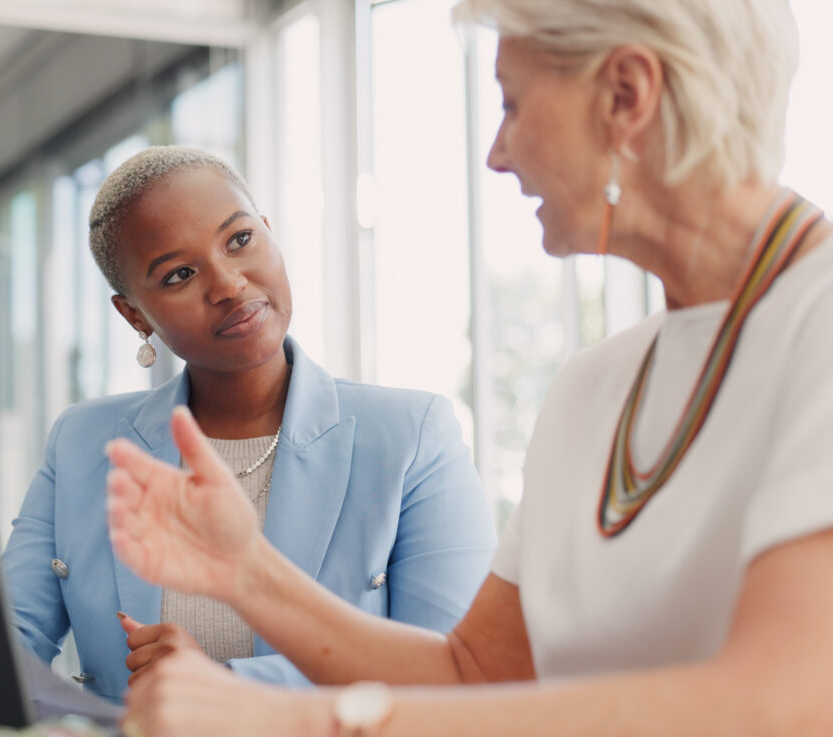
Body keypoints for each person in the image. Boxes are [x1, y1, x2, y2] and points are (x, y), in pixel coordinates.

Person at [103, 1, 833, 734]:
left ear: (625, 96)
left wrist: (302, 719)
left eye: (512, 104)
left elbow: (783, 702)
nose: (497, 153)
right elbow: (474, 676)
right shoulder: (594, 386)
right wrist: (247, 571)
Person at [0, 145, 496, 704]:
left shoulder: (410, 436)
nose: (229, 284)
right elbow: (0, 652)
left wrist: (229, 687)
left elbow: (460, 680)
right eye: (179, 274)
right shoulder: (84, 442)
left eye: (239, 240)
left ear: (267, 229)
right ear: (135, 314)